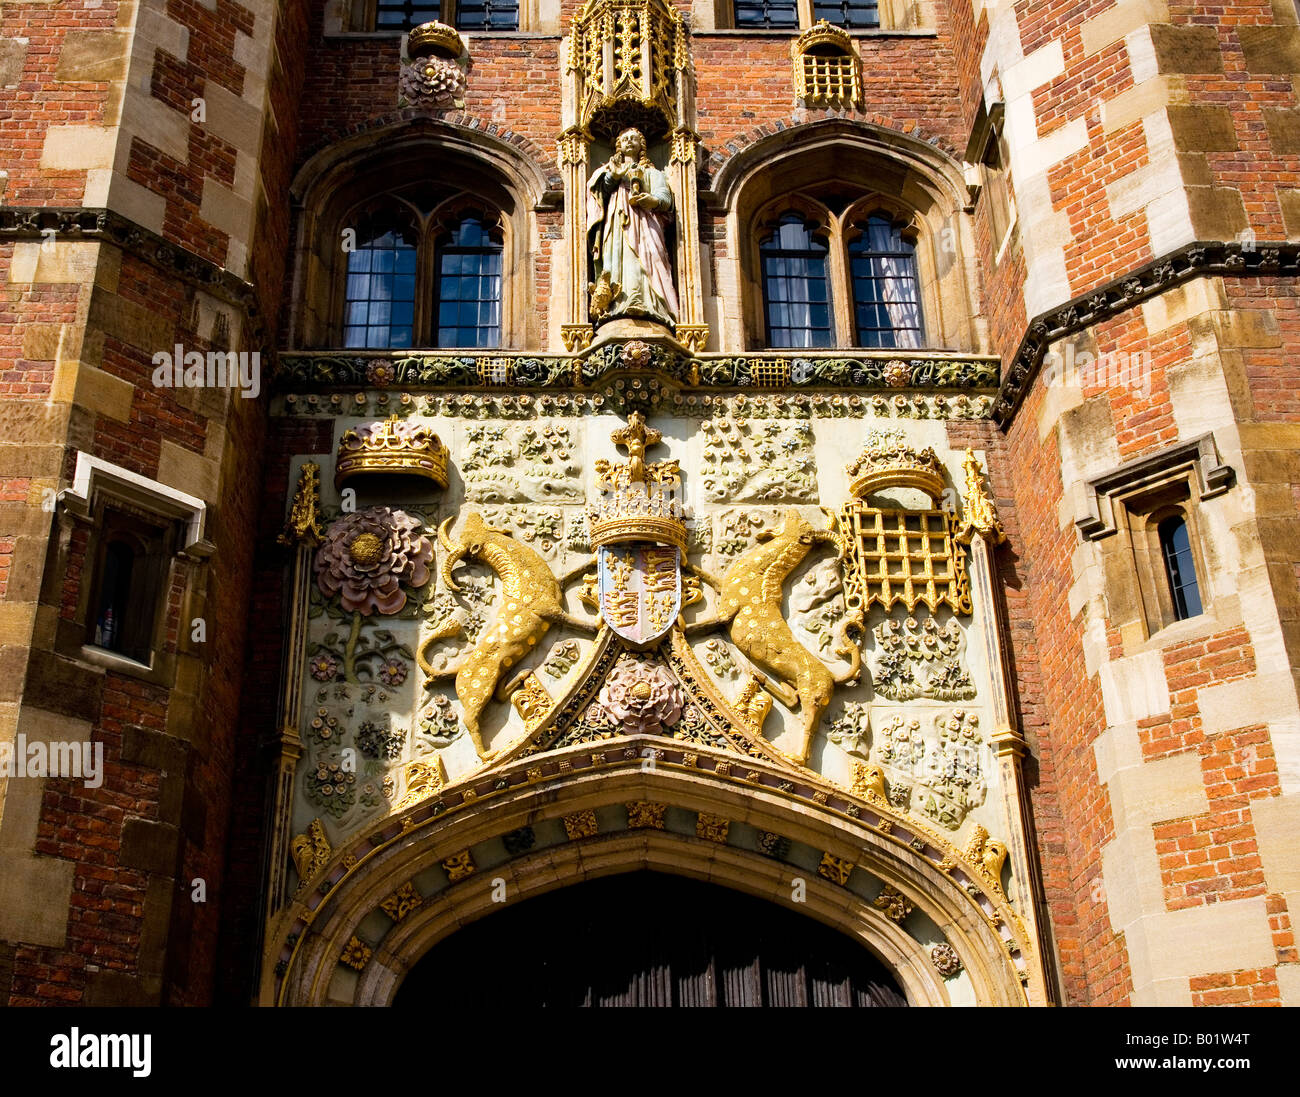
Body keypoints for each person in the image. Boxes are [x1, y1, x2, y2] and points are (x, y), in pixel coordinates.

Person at [586, 127, 679, 326]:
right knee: (618, 258)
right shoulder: (609, 169)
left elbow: (665, 198)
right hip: (616, 220)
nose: (629, 142)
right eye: (625, 139)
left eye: (634, 139)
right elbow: (599, 191)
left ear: (642, 146)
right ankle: (618, 305)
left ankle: (652, 305)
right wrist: (615, 176)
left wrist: (652, 201)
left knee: (651, 257)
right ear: (618, 145)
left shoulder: (653, 173)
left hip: (646, 221)